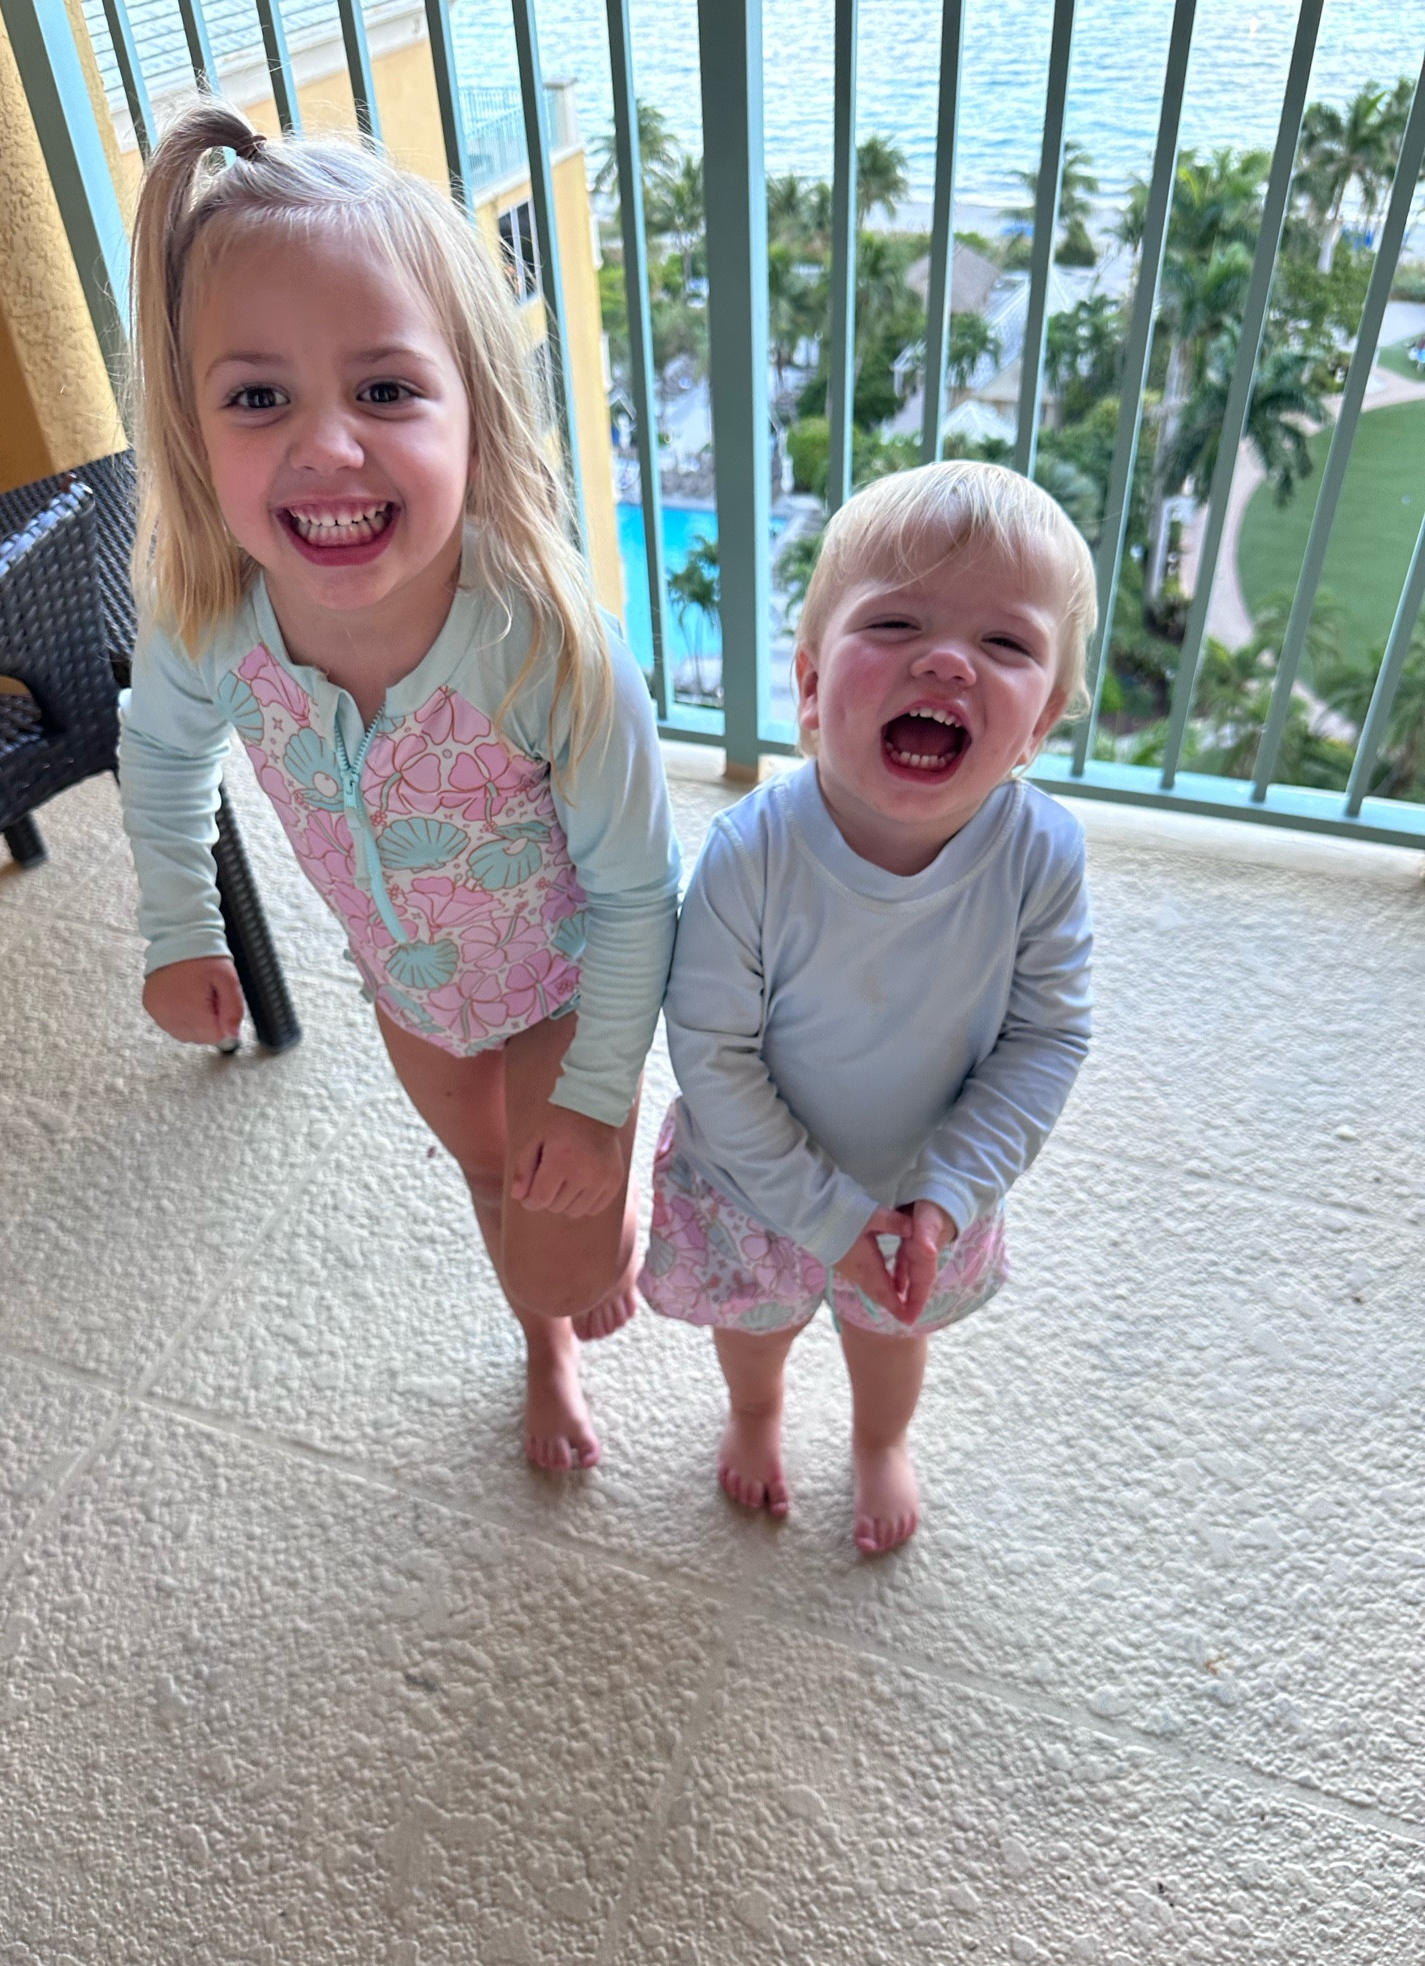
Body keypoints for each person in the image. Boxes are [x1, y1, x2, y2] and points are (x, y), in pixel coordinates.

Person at [118, 104, 679, 1472]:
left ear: (475, 408)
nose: (326, 448)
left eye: (384, 390)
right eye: (259, 398)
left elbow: (639, 891)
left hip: (562, 980)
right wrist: (182, 926)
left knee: (570, 1213)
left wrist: (602, 1101)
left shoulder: (545, 646)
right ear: (196, 434)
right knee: (492, 1186)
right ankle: (541, 1347)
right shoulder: (210, 622)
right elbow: (160, 753)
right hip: (410, 983)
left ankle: (603, 1230)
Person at [639, 463, 1095, 1553]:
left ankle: (880, 1442)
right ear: (805, 686)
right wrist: (821, 1212)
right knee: (753, 1330)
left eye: (1007, 644)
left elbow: (1046, 1037)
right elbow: (712, 1048)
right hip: (754, 1179)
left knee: (893, 1336)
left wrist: (948, 1192)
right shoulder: (751, 851)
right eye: (896, 623)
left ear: (1038, 729)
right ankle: (757, 1413)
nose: (946, 659)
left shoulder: (1041, 857)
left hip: (929, 1186)